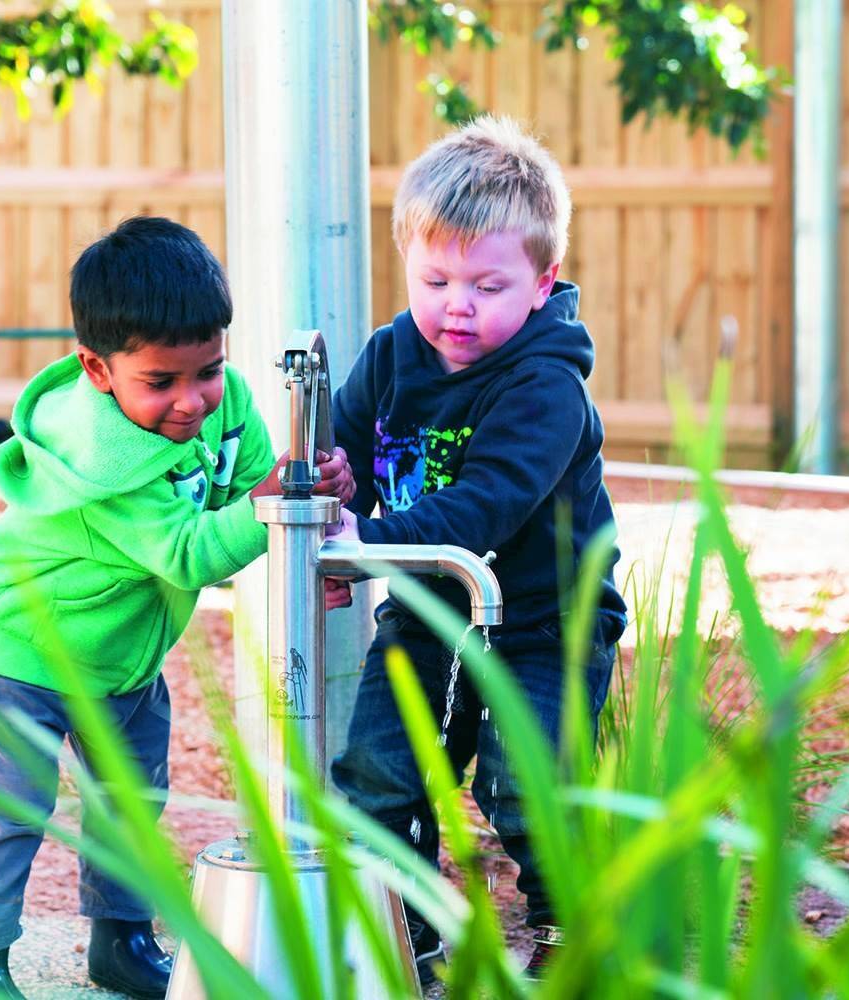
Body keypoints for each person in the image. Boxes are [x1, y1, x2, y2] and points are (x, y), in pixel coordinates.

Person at [0, 216, 352, 999]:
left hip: (124, 654)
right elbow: (190, 552)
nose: (191, 401)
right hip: (24, 647)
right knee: (14, 807)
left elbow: (251, 495)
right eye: (160, 382)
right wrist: (271, 505)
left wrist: (303, 532)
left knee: (132, 801)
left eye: (208, 370)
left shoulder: (227, 403)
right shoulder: (100, 458)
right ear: (97, 370)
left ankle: (121, 940)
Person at [327, 116, 627, 983]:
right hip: (428, 607)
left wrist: (365, 544)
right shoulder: (392, 356)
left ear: (542, 282)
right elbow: (350, 454)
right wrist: (335, 493)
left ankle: (569, 936)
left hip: (546, 623)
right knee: (378, 771)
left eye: (488, 285)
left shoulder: (547, 386)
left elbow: (483, 507)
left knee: (524, 787)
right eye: (436, 280)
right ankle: (401, 934)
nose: (457, 304)